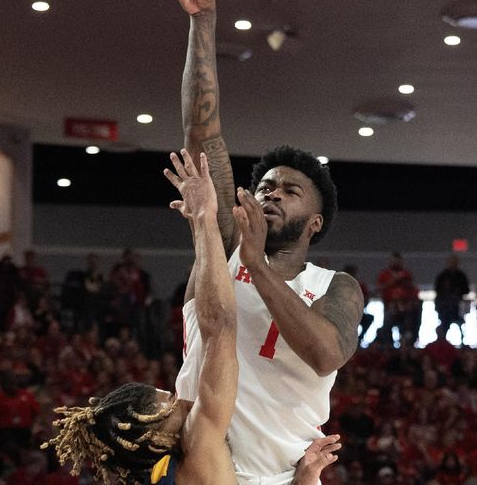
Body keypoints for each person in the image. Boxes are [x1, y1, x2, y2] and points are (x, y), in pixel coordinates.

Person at [149, 0, 363, 484]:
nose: (270, 192)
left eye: (289, 191)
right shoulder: (224, 244)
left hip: (280, 477)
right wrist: (203, 21)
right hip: (202, 463)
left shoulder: (336, 286)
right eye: (265, 185)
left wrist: (259, 266)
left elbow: (323, 354)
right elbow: (204, 132)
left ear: (315, 223)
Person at [44, 151, 340, 484]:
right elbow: (219, 330)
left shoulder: (165, 471)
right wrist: (203, 217)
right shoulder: (200, 454)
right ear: (150, 437)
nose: (182, 400)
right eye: (168, 404)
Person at [434, 256, 470, 344]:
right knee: (445, 319)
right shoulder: (442, 276)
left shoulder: (461, 276)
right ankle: (443, 340)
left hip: (457, 306)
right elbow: (438, 290)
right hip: (444, 307)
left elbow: (466, 290)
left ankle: (462, 341)